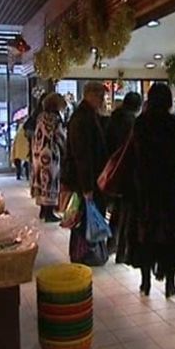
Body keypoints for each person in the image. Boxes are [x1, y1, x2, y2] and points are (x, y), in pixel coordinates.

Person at [121, 83, 175, 298]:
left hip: (145, 188)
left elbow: (134, 153)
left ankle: (145, 283)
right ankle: (170, 283)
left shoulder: (141, 123)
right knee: (171, 235)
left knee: (146, 234)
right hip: (172, 187)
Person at [64, 82, 109, 264]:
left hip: (88, 178)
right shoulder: (83, 118)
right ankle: (85, 254)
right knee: (84, 218)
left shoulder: (87, 115)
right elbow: (83, 155)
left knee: (86, 217)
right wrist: (87, 186)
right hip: (86, 179)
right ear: (90, 95)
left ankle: (87, 252)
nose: (102, 100)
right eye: (100, 96)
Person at [105, 92, 142, 253]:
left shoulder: (112, 119)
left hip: (112, 170)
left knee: (117, 211)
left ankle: (112, 243)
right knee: (125, 212)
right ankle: (121, 248)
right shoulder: (132, 122)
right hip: (128, 172)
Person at [30, 93, 66, 223]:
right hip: (50, 153)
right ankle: (49, 212)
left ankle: (43, 211)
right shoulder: (55, 118)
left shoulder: (40, 116)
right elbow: (60, 136)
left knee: (41, 180)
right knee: (50, 181)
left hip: (38, 152)